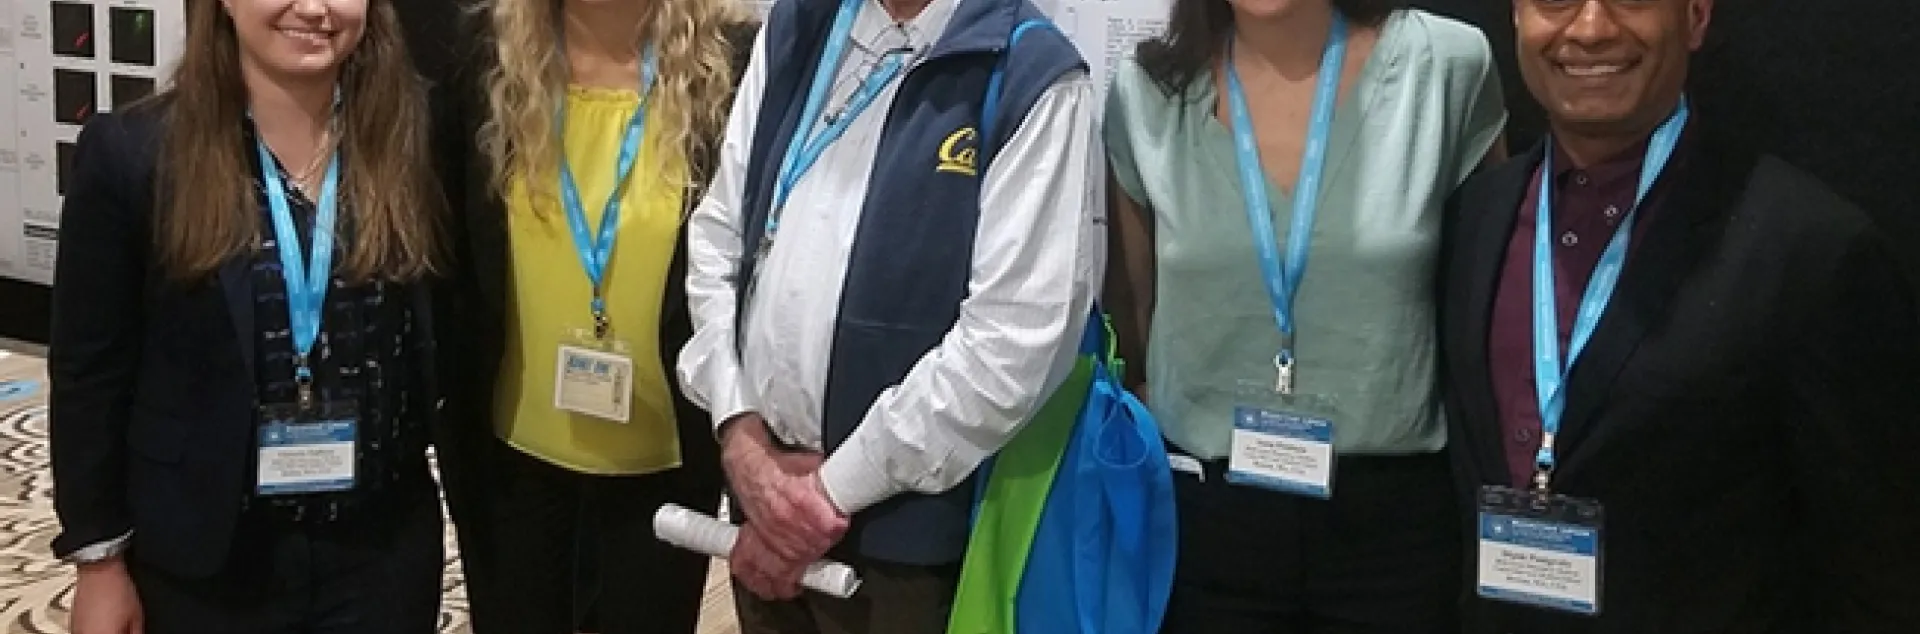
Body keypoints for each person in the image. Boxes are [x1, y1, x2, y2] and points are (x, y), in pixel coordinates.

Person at [1437, 0, 1920, 632]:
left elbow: (1877, 558)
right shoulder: (1473, 217)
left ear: (1694, 17)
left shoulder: (1812, 251)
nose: (1589, 28)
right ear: (1517, 21)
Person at [674, 0, 1103, 628]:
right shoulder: (797, 28)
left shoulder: (1029, 72)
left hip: (904, 541)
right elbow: (719, 236)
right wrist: (741, 436)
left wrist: (824, 495)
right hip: (760, 503)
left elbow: (1012, 343)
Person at [1099, 0, 1505, 630]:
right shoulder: (1148, 91)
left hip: (1391, 523)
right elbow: (1134, 311)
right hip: (1209, 517)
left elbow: (1492, 295)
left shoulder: (1445, 67)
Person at [46, 0, 445, 629]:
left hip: (377, 553)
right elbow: (89, 377)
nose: (314, 8)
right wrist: (99, 562)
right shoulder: (135, 155)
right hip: (207, 559)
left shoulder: (414, 141)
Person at [427, 0, 755, 630]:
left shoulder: (735, 66)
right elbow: (454, 260)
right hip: (510, 461)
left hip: (665, 463)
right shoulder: (483, 55)